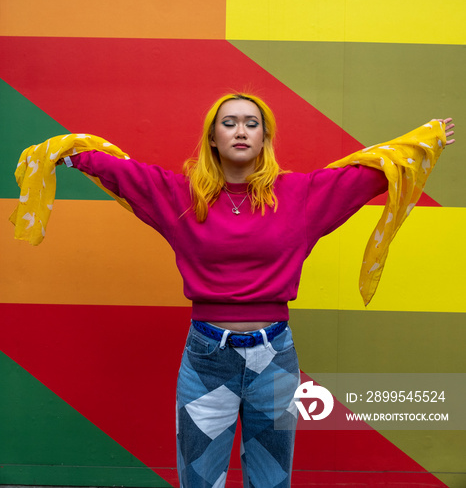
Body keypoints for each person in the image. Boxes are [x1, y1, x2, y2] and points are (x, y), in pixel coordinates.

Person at [13, 93, 455, 488]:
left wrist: (422, 142)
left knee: (270, 480)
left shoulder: (299, 196)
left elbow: (369, 173)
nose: (240, 130)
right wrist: (64, 154)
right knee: (200, 479)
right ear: (212, 138)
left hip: (275, 357)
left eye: (251, 122)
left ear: (264, 138)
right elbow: (122, 173)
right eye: (229, 122)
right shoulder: (181, 197)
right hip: (208, 357)